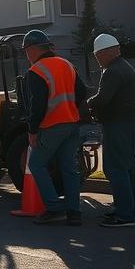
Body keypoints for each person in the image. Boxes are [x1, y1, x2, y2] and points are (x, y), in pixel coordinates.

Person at [21, 30, 88, 226]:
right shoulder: (67, 65)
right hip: (72, 124)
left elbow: (37, 105)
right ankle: (74, 212)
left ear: (33, 49)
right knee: (69, 168)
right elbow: (82, 91)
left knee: (36, 164)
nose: (26, 55)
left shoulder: (36, 71)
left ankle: (53, 207)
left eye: (26, 51)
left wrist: (32, 131)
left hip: (52, 126)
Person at [87, 33, 135, 228]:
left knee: (115, 168)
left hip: (118, 124)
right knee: (128, 167)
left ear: (105, 53)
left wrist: (87, 104)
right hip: (130, 122)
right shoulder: (125, 67)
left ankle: (124, 214)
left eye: (97, 56)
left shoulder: (112, 71)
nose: (97, 60)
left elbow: (103, 98)